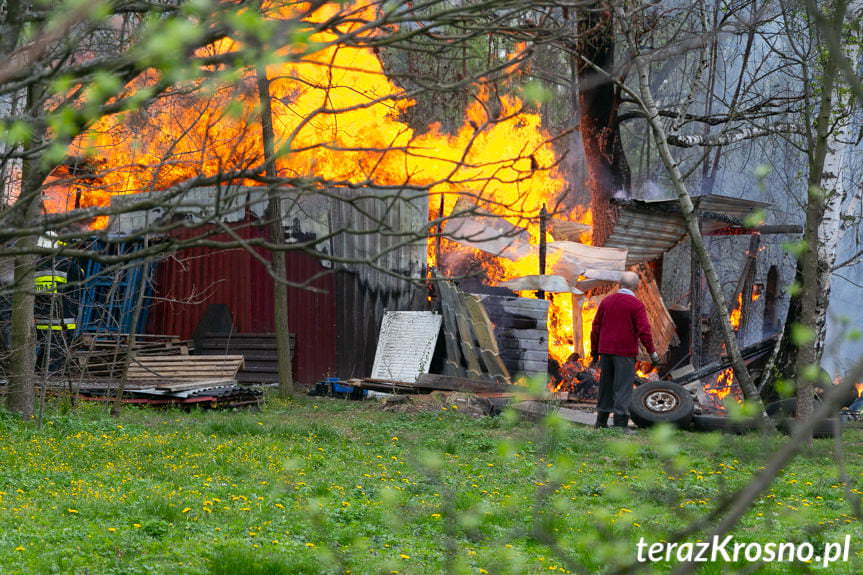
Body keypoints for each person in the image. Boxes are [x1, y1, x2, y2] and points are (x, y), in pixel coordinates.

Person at [590, 271, 659, 431]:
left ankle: (601, 422)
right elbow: (644, 331)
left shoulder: (607, 301)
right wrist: (652, 352)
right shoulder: (636, 305)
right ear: (636, 286)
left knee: (605, 386)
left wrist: (595, 351)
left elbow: (595, 328)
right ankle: (620, 425)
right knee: (623, 388)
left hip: (605, 351)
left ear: (619, 284)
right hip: (625, 353)